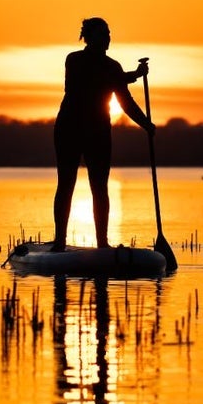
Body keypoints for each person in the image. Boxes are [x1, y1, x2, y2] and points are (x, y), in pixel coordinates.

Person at [52, 17, 155, 250]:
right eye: (102, 34)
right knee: (66, 184)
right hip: (69, 129)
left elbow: (125, 101)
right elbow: (94, 82)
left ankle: (102, 243)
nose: (108, 38)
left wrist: (146, 124)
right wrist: (132, 75)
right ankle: (59, 242)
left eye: (109, 33)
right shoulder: (74, 60)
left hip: (98, 132)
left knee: (100, 187)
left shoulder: (113, 67)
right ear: (88, 37)